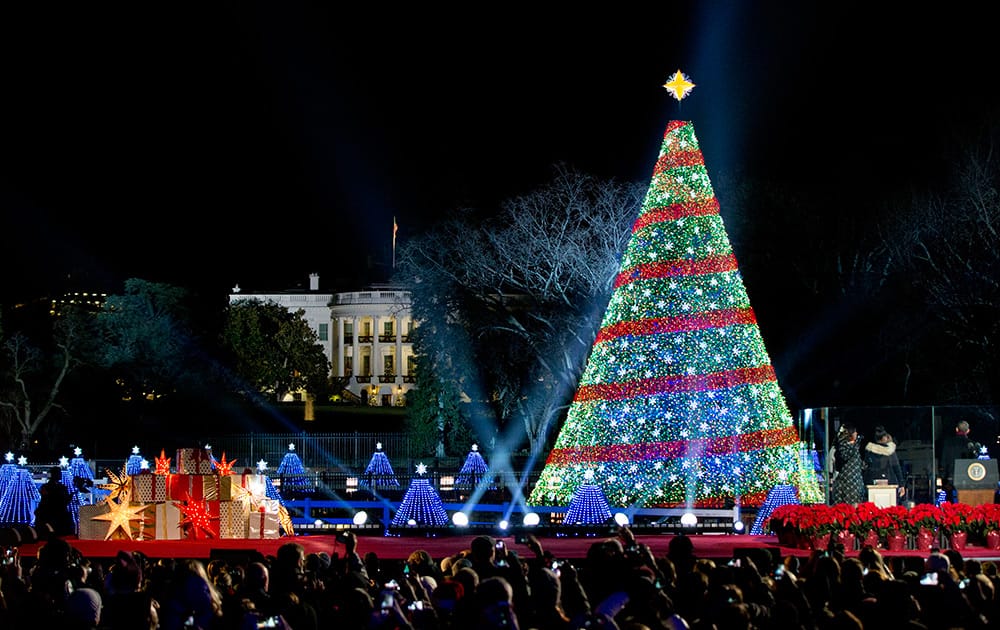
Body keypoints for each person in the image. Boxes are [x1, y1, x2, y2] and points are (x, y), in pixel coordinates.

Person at [864, 425, 906, 500]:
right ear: (884, 438)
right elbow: (897, 468)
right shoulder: (890, 451)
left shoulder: (869, 451)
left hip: (872, 484)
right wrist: (901, 484)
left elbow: (866, 468)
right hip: (890, 482)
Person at [34, 466, 74, 538]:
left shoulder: (61, 487)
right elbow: (47, 500)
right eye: (59, 473)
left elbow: (65, 500)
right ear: (54, 474)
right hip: (52, 514)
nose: (60, 475)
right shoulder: (48, 487)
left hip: (59, 514)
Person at [830, 422, 865, 505]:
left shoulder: (855, 446)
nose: (856, 433)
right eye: (854, 432)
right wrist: (855, 444)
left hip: (856, 480)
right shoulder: (843, 445)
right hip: (847, 481)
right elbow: (845, 456)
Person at [940, 420, 978, 488]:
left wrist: (943, 476)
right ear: (968, 431)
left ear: (956, 429)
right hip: (968, 477)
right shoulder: (972, 445)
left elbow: (943, 461)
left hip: (951, 476)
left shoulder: (948, 443)